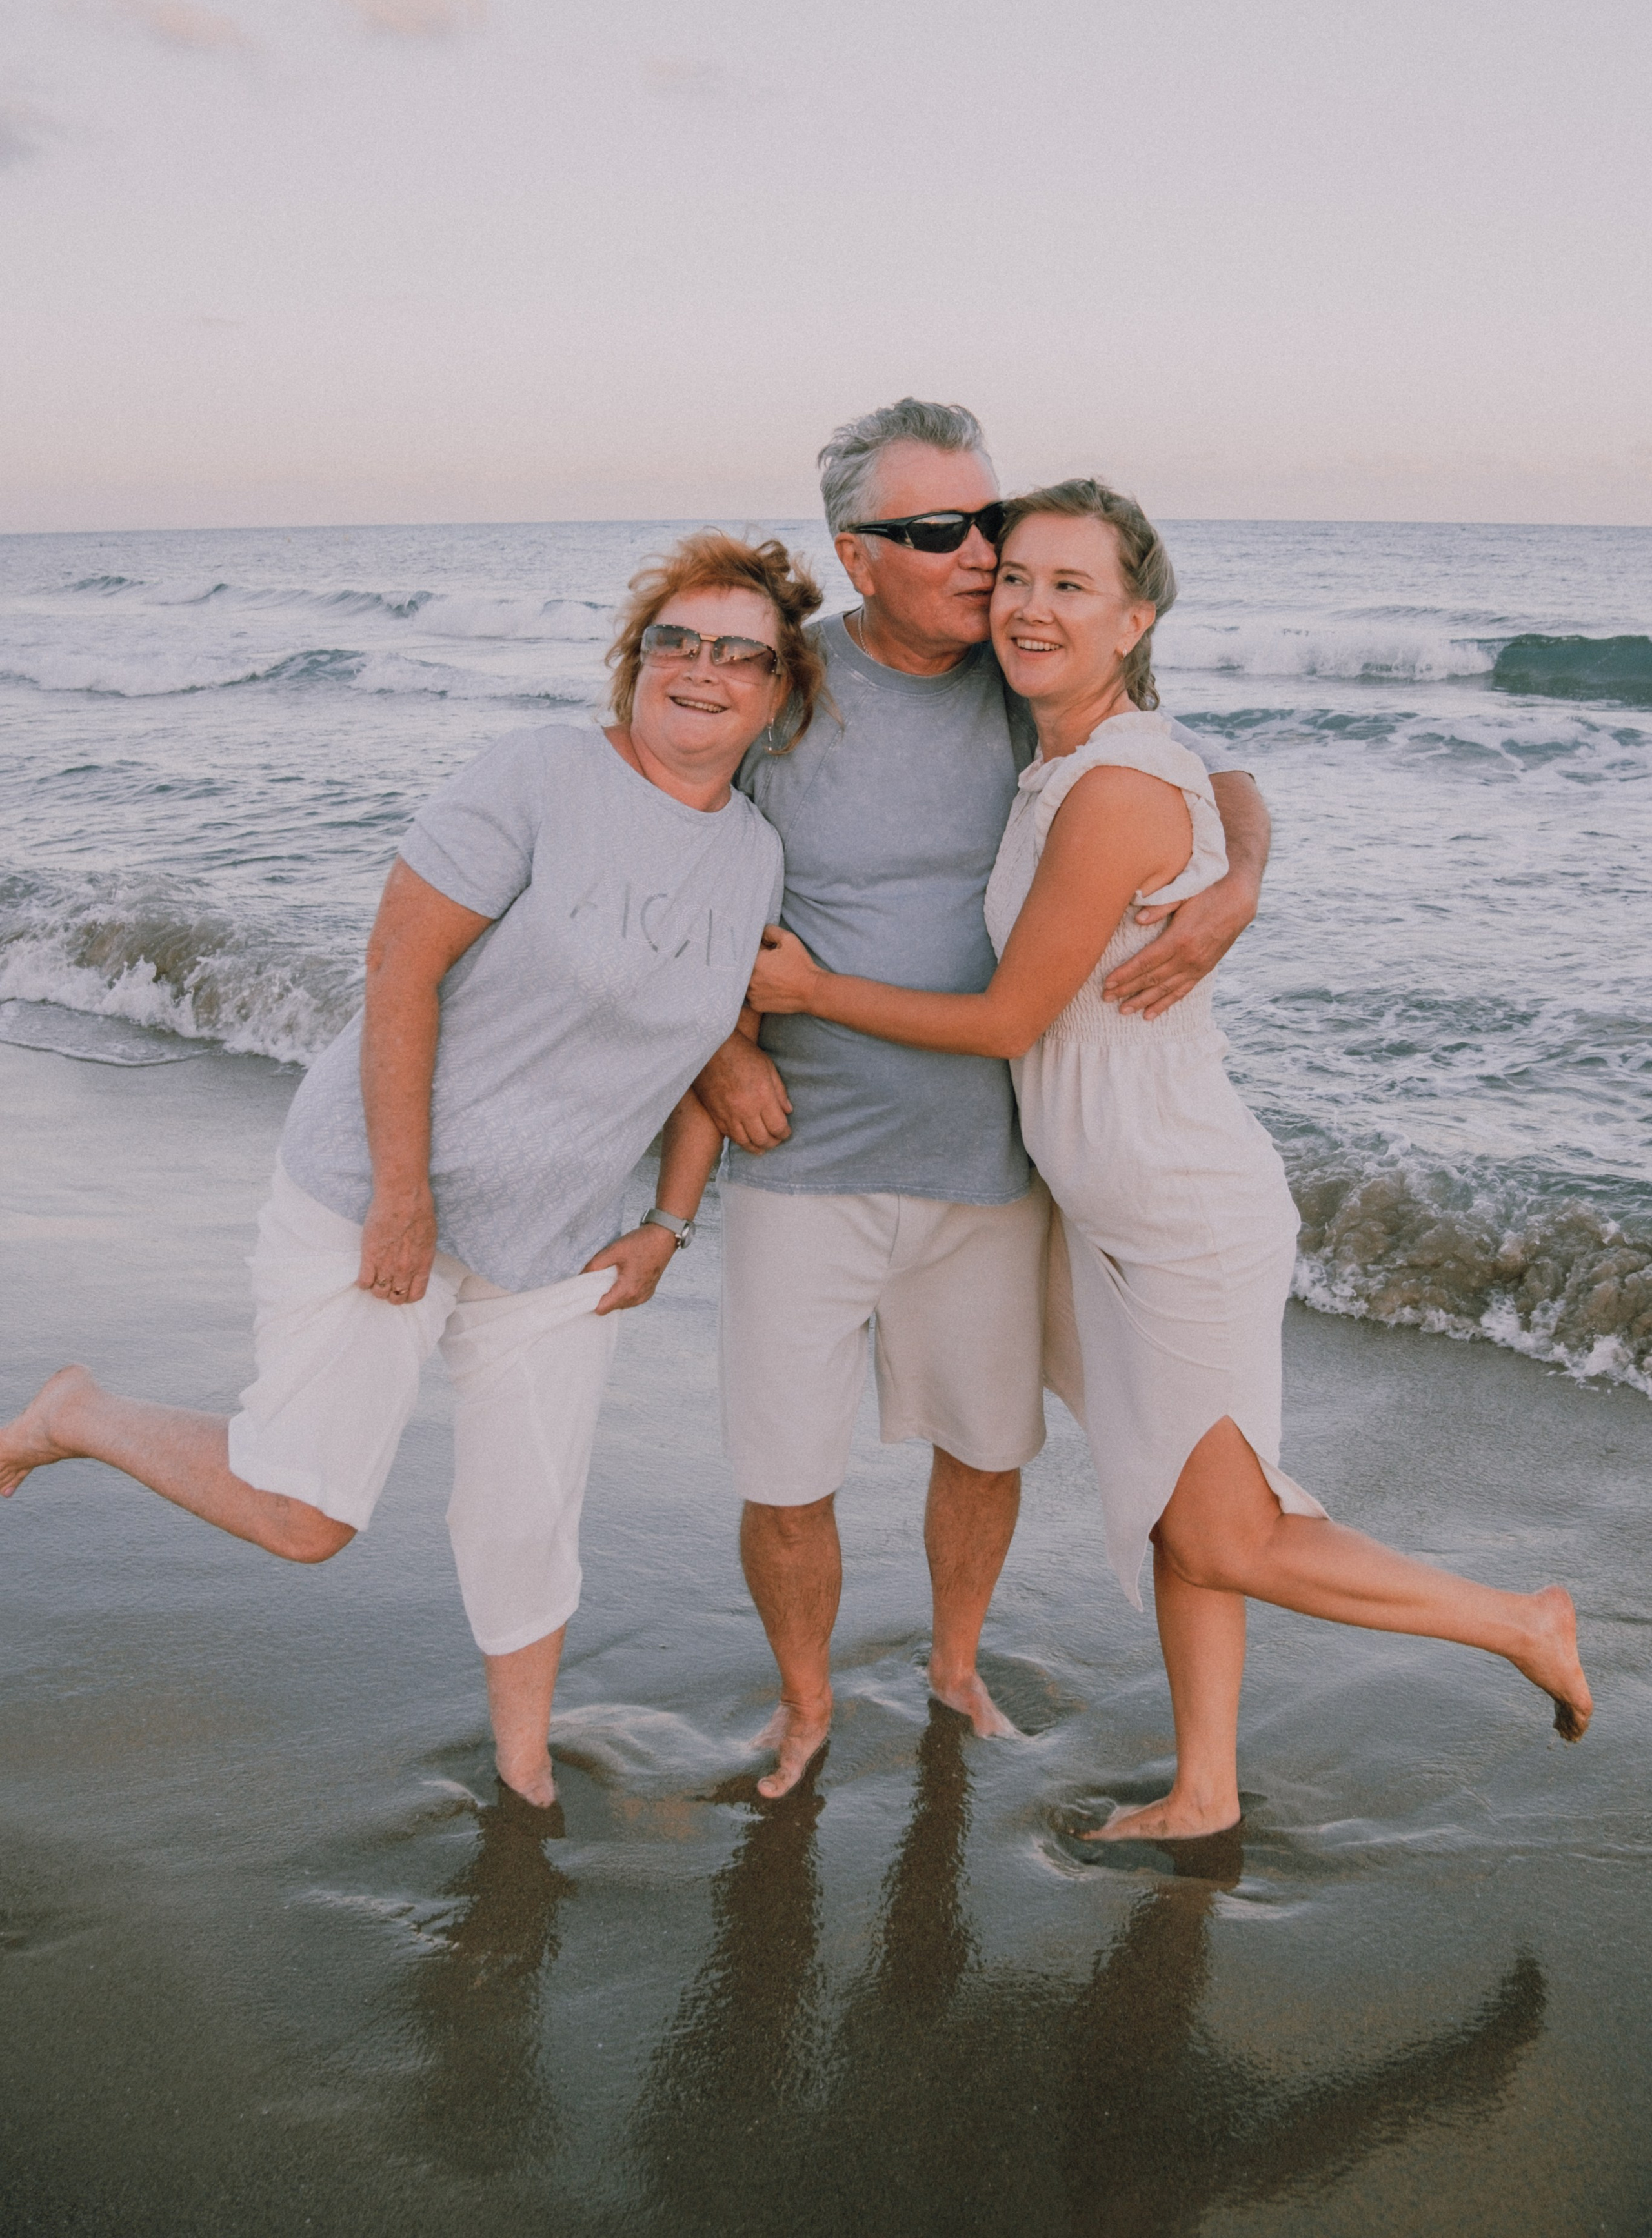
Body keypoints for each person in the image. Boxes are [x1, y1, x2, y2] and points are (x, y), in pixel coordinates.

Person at [749, 477, 1593, 1839]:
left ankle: (1516, 1618)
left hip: (1176, 1208)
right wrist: (1242, 864)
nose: (1026, 605)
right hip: (1102, 1208)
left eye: (1068, 587)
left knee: (1223, 1530)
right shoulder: (1073, 748)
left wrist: (805, 993)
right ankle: (1203, 1789)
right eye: (1014, 577)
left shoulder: (1113, 787)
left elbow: (1009, 1018)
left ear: (1135, 614)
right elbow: (1229, 775)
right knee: (1178, 1503)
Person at [1, 532, 823, 1810]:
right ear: (635, 659)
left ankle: (524, 1769)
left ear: (779, 694)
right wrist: (401, 1192)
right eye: (676, 641)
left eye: (740, 655)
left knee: (527, 1515)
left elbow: (718, 1039)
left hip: (558, 1235)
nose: (701, 672)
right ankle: (76, 1416)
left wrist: (667, 1222)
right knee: (303, 1516)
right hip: (379, 1187)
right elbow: (400, 968)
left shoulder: (752, 856)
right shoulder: (540, 774)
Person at [694, 401, 1274, 1799]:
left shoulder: (1027, 679)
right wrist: (721, 1053)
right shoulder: (785, 685)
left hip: (988, 1156)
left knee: (984, 1444)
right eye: (944, 534)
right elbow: (674, 858)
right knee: (782, 1469)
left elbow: (1203, 770)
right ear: (857, 552)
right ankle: (804, 1706)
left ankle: (954, 1666)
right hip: (799, 1148)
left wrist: (1240, 880)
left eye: (996, 526)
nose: (986, 562)